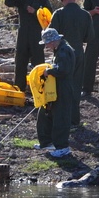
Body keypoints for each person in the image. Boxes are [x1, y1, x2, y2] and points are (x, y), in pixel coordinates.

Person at [50, 0, 94, 125]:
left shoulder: (58, 14)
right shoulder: (85, 15)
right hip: (79, 53)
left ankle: (64, 119)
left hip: (62, 54)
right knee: (76, 86)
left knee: (62, 87)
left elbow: (52, 36)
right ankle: (75, 119)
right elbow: (90, 37)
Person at [4, 0, 52, 93]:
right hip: (23, 34)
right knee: (20, 62)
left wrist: (36, 12)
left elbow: (49, 17)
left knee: (38, 63)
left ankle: (39, 90)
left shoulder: (43, 0)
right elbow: (8, 2)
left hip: (37, 35)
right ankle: (19, 90)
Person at [34, 28, 76, 158]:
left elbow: (63, 70)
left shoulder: (64, 51)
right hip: (55, 88)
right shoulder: (59, 49)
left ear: (53, 41)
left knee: (61, 118)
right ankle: (47, 142)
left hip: (63, 88)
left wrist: (49, 71)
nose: (46, 46)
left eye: (47, 43)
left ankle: (63, 147)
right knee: (46, 114)